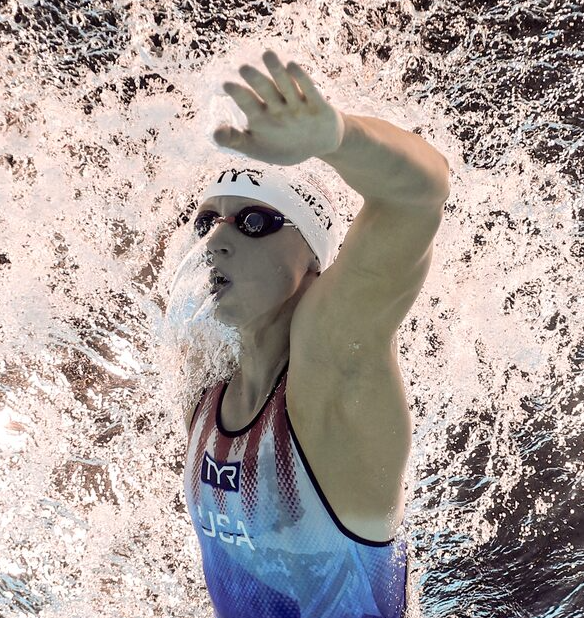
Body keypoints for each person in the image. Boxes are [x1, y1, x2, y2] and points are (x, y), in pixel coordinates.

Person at [182, 49, 450, 618]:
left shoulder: (333, 374)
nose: (216, 241)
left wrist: (338, 137)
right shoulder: (208, 380)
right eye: (206, 222)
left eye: (254, 222)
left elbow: (419, 194)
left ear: (312, 259)